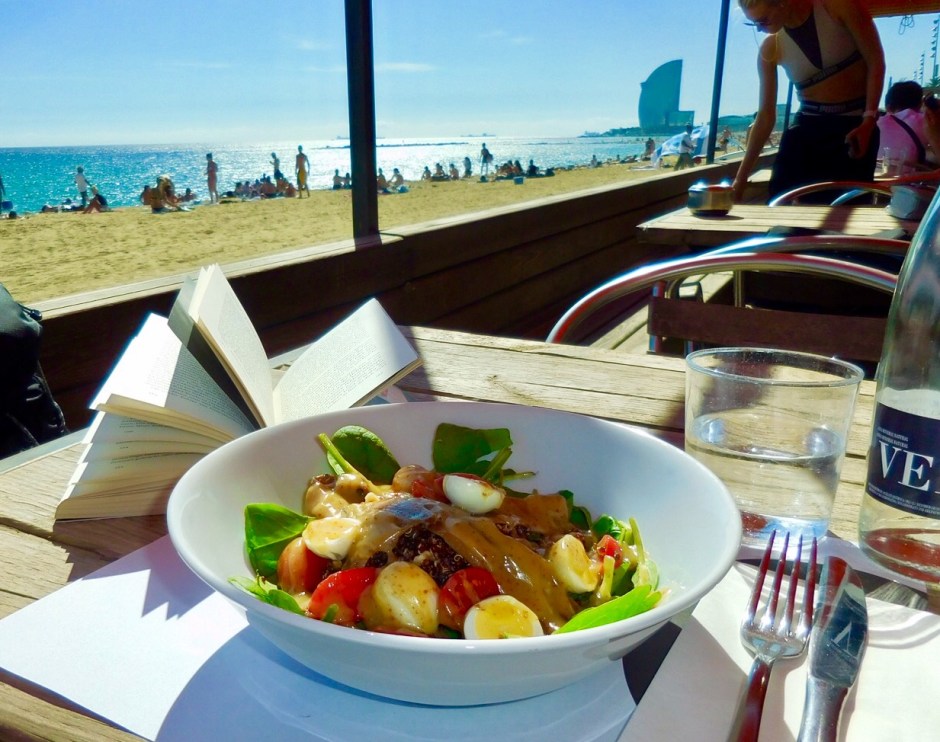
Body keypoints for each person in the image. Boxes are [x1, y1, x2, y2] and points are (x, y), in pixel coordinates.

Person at [731, 0, 885, 203]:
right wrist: (739, 181)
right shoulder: (769, 49)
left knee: (849, 210)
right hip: (806, 130)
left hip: (855, 129)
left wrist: (868, 120)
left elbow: (876, 62)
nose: (760, 29)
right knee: (781, 203)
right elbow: (766, 116)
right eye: (754, 24)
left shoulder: (839, 7)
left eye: (763, 20)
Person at [877, 80, 929, 174]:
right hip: (907, 184)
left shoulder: (876, 123)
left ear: (888, 107)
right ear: (920, 104)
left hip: (870, 184)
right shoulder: (926, 122)